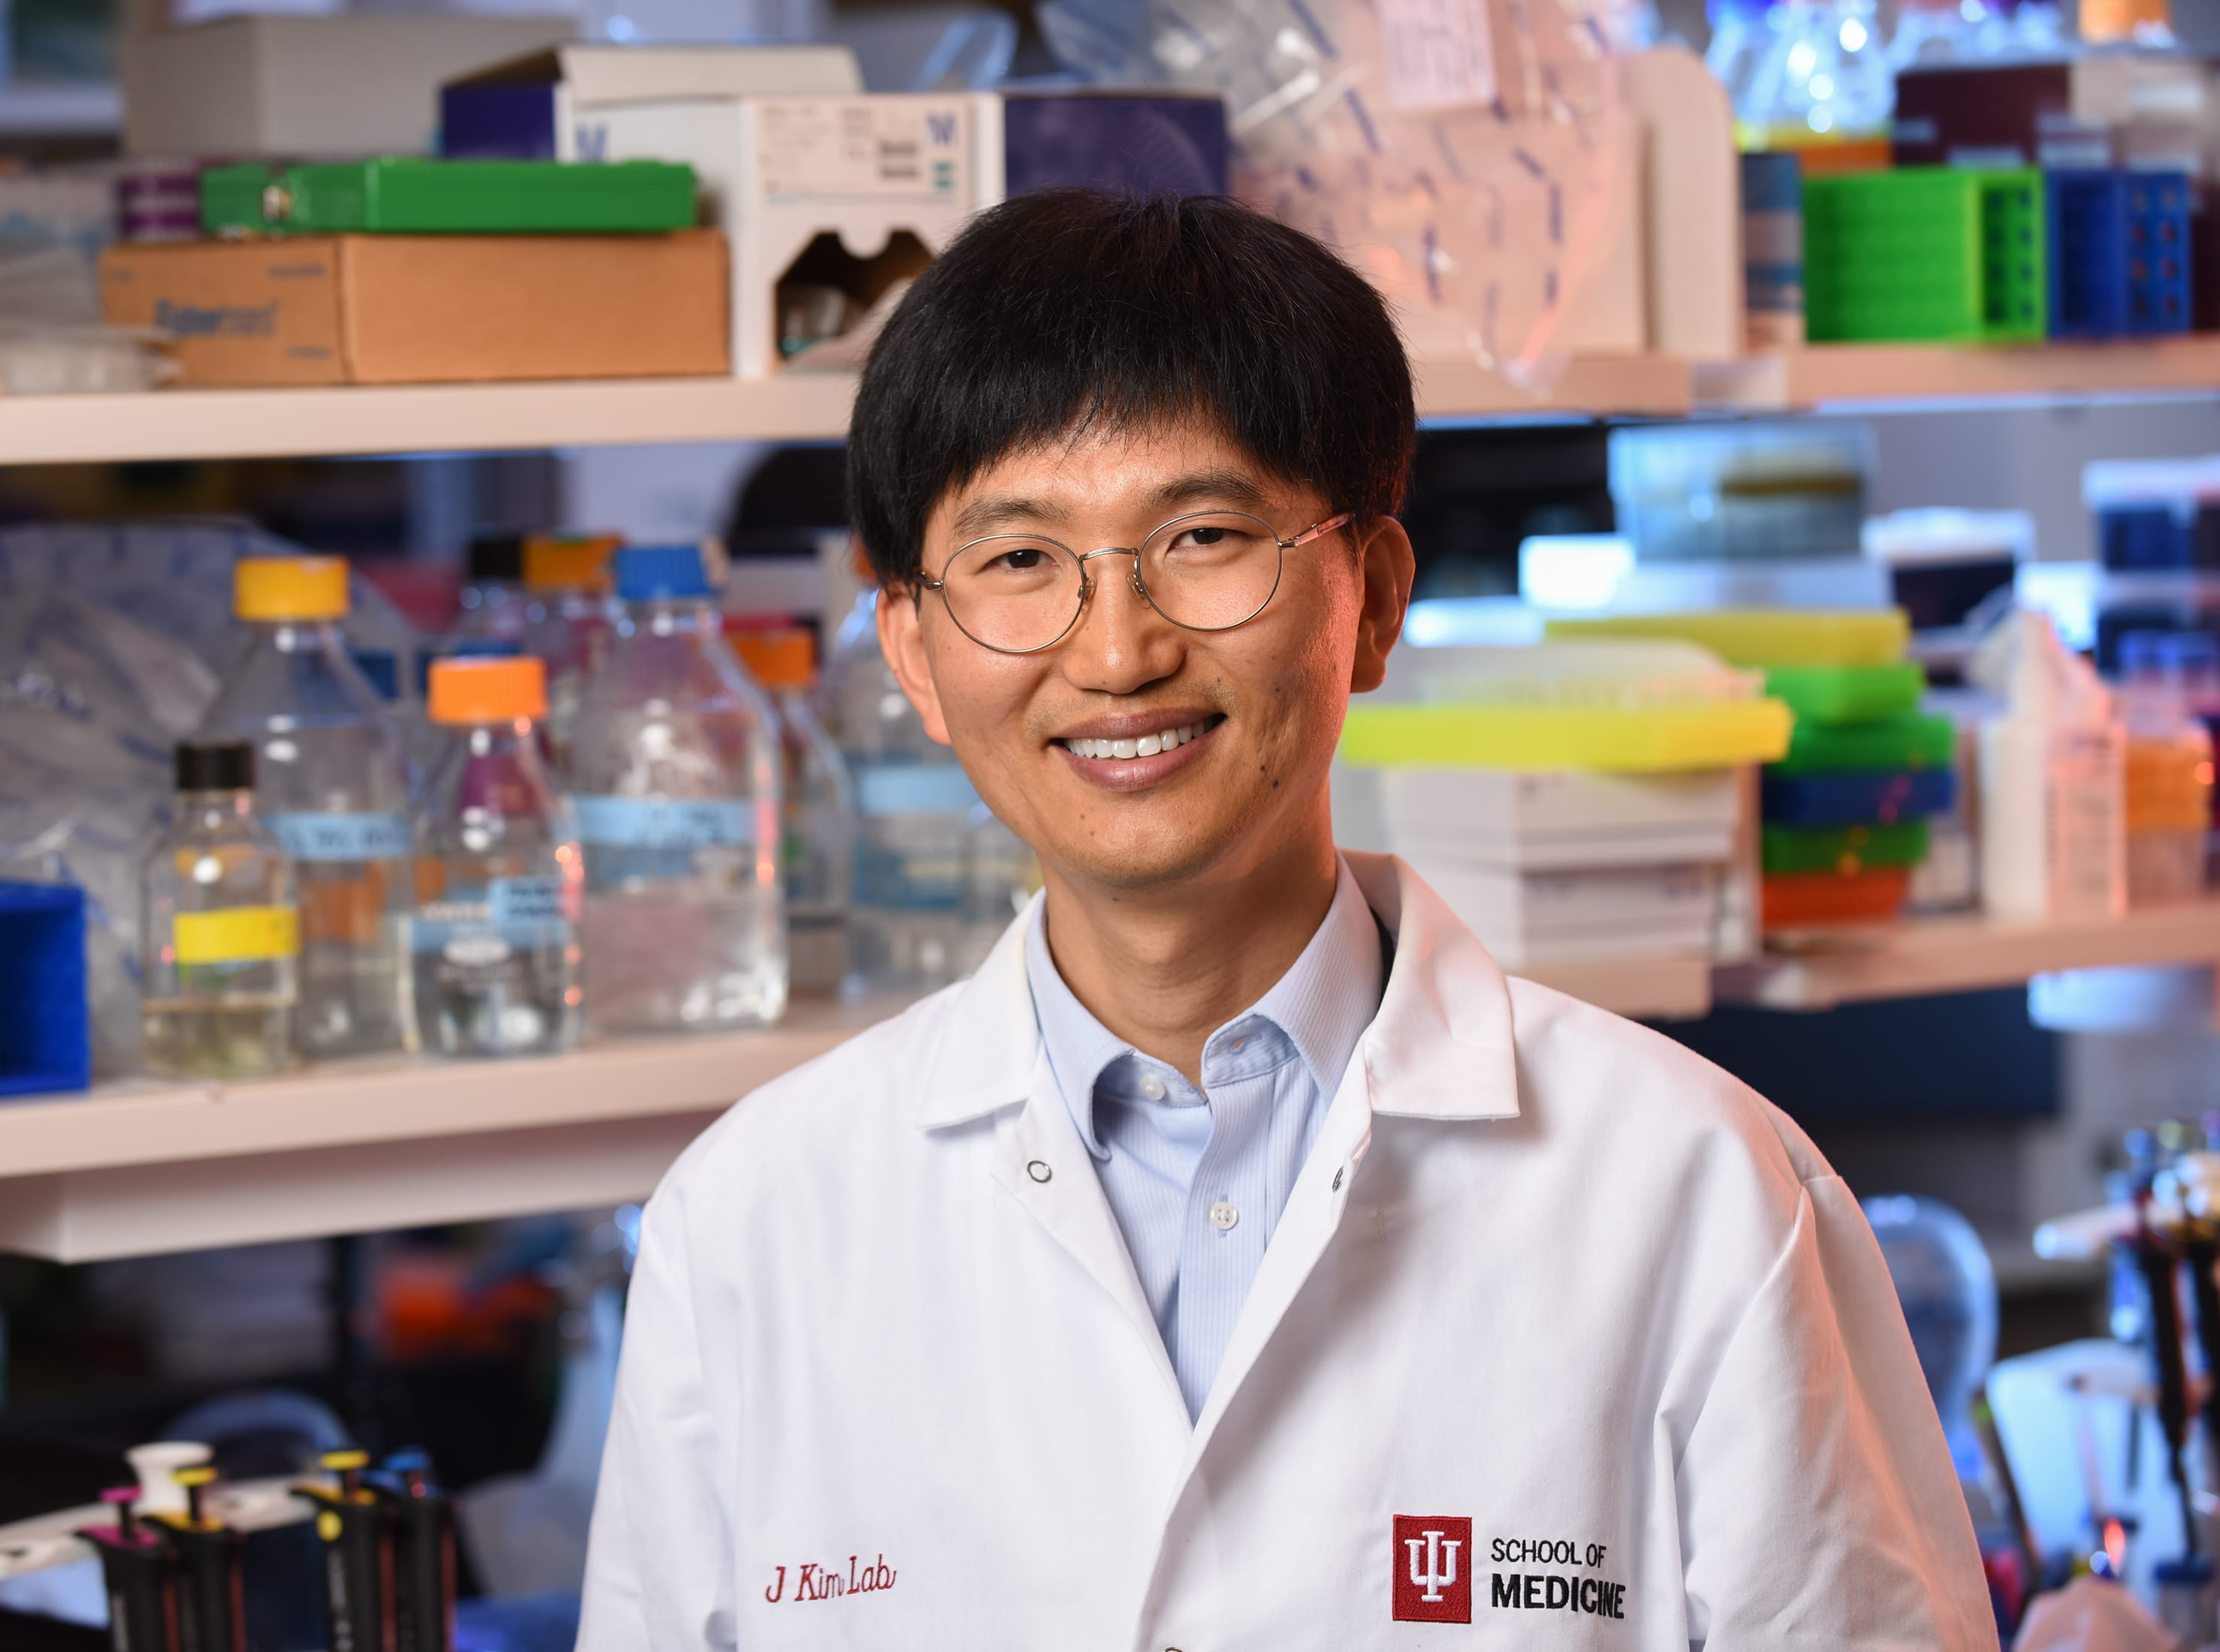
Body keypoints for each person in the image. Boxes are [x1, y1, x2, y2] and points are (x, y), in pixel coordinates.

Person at [575, 189, 1992, 1650]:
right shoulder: (751, 1223)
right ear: (916, 656)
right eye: (1018, 560)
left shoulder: (1701, 1189)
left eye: (1202, 534)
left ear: (1370, 599)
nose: (1117, 649)